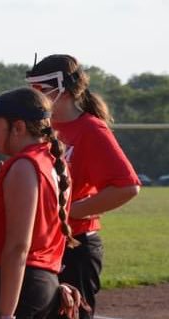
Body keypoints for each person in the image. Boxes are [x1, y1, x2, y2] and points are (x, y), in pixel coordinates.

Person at [25, 54, 140, 319]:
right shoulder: (40, 127)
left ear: (61, 89)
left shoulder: (90, 129)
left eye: (40, 89)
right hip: (42, 244)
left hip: (75, 247)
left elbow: (127, 186)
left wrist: (71, 211)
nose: (33, 95)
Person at [0, 87, 76, 319]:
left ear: (18, 127)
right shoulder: (51, 160)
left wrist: (6, 313)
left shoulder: (25, 166)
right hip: (42, 281)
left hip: (13, 283)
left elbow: (18, 247)